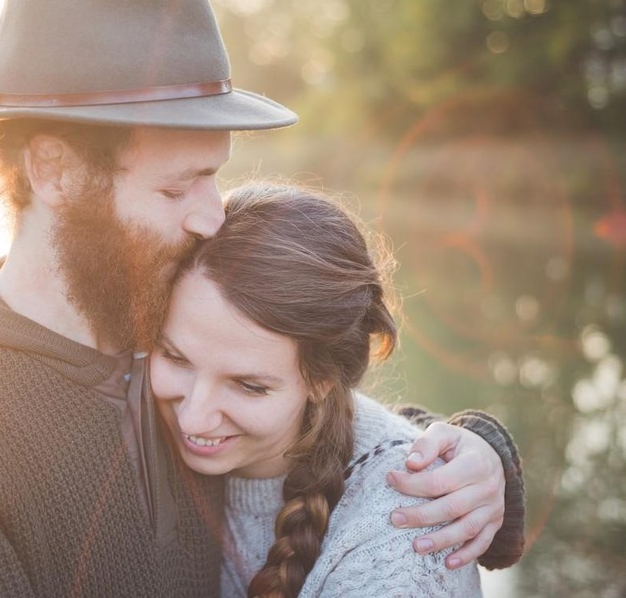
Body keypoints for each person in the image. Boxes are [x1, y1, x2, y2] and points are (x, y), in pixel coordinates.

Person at [0, 0, 524, 597]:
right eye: (177, 188)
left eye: (215, 175)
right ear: (56, 171)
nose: (210, 216)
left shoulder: (159, 313)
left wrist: (468, 453)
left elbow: (298, 399)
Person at [150, 181, 522, 596]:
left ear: (324, 377)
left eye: (249, 386)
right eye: (174, 357)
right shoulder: (128, 406)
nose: (193, 417)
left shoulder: (405, 540)